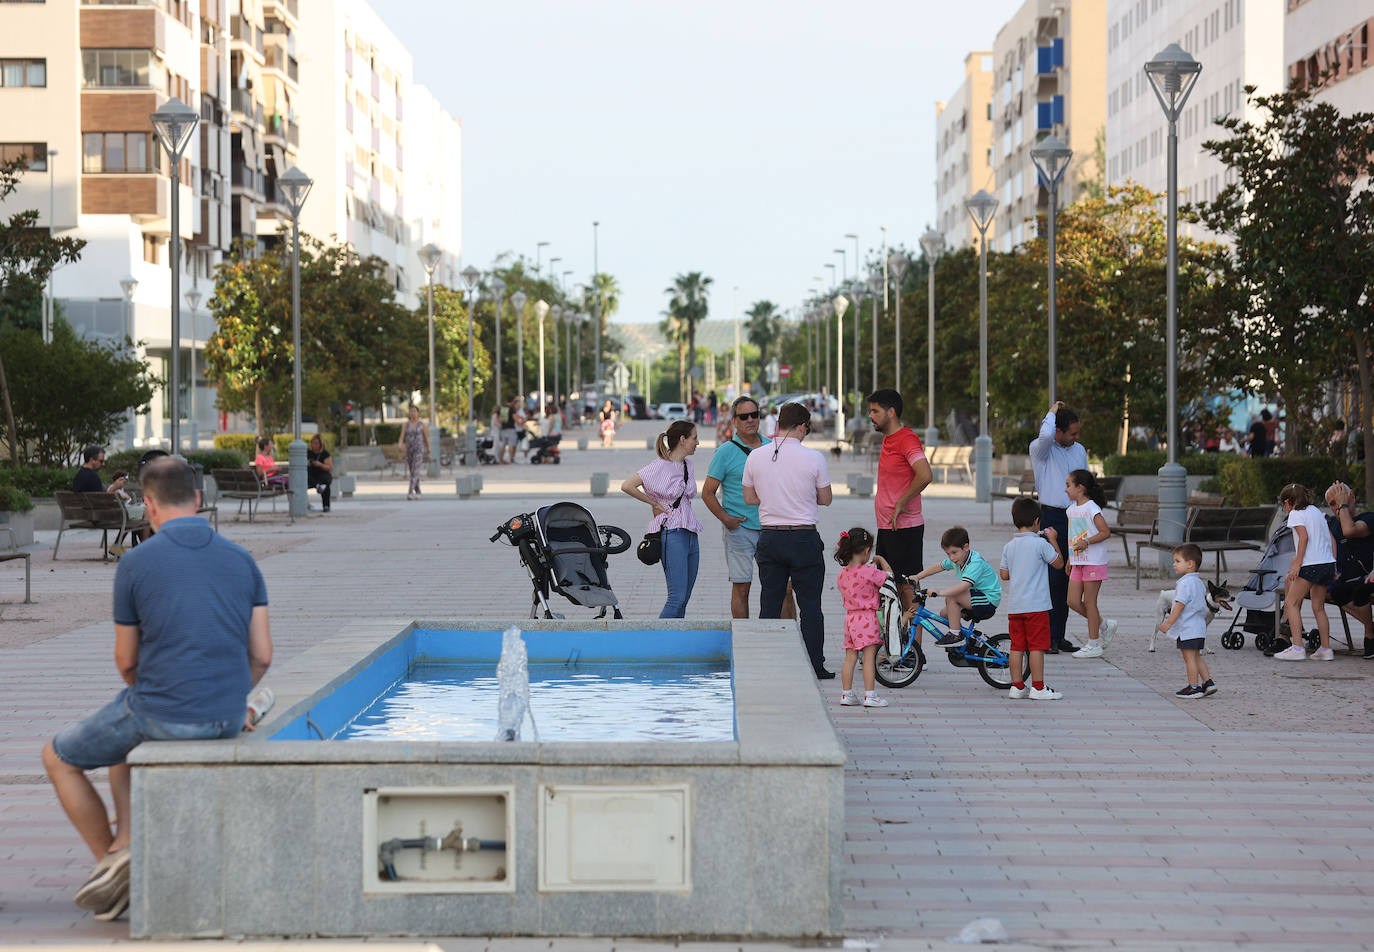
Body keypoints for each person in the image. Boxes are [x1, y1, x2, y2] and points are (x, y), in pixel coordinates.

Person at [40, 457, 272, 922]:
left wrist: (153, 691)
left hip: (158, 709)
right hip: (227, 713)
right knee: (124, 752)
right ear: (199, 499)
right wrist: (224, 696)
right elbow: (262, 654)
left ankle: (112, 861)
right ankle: (124, 849)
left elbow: (126, 660)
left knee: (58, 756)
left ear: (148, 505)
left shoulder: (136, 563)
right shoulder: (243, 560)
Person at [742, 401, 835, 678]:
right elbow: (826, 499)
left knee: (769, 603)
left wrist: (772, 499)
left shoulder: (755, 456)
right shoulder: (814, 458)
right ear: (803, 426)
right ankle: (815, 666)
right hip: (804, 538)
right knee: (810, 606)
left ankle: (766, 664)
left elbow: (748, 498)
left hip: (770, 536)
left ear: (779, 423)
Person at [622, 420, 703, 618]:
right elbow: (627, 485)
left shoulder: (687, 465)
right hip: (672, 533)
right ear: (683, 440)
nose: (698, 442)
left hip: (691, 532)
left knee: (684, 598)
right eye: (695, 438)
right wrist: (654, 503)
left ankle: (675, 643)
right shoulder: (659, 466)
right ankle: (658, 641)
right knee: (676, 598)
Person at [702, 397, 772, 618]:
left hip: (773, 529)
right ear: (734, 421)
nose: (750, 420)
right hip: (740, 529)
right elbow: (707, 492)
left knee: (784, 588)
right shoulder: (725, 452)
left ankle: (787, 637)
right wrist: (726, 518)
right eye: (744, 416)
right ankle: (744, 637)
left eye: (755, 414)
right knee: (742, 586)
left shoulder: (773, 447)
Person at [867, 389, 934, 616]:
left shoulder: (907, 439)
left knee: (907, 588)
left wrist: (901, 502)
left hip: (905, 528)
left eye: (875, 411)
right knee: (890, 588)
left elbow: (924, 474)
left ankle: (914, 646)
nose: (871, 415)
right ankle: (899, 646)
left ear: (891, 412)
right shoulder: (889, 439)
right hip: (887, 527)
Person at [1029, 401, 1087, 653]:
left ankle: (1059, 635)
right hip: (1051, 516)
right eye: (1071, 433)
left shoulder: (1079, 449)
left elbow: (1086, 483)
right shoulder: (1041, 449)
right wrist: (1051, 413)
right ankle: (1047, 637)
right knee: (1052, 578)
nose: (1076, 437)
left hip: (1077, 517)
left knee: (1071, 577)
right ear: (1058, 432)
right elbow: (1044, 435)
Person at [998, 497, 1065, 700]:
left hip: (1015, 606)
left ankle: (1017, 686)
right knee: (1036, 646)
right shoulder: (1040, 544)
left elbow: (1004, 574)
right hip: (1036, 606)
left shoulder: (1009, 546)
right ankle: (1038, 687)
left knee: (1017, 646)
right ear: (1037, 521)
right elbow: (1059, 564)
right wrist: (1053, 539)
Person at [911, 526, 1002, 649]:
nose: (951, 558)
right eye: (948, 554)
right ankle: (970, 639)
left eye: (954, 552)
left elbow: (964, 586)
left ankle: (955, 635)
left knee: (952, 598)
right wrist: (917, 577)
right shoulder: (958, 559)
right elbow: (939, 566)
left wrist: (939, 592)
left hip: (988, 599)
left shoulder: (974, 562)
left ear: (966, 547)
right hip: (975, 597)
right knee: (944, 613)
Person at [1274, 483, 1336, 661]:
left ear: (1288, 502)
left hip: (1311, 565)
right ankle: (1325, 649)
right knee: (1319, 608)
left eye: (1283, 505)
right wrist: (1333, 564)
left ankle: (1297, 647)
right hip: (1326, 563)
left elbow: (1304, 538)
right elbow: (1329, 538)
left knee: (1291, 603)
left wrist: (1296, 565)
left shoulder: (1295, 513)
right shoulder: (1316, 511)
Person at [833, 527, 891, 708]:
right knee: (868, 657)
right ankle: (870, 695)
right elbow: (889, 577)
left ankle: (846, 693)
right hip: (867, 618)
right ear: (867, 551)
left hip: (850, 619)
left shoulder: (842, 573)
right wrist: (881, 560)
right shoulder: (869, 572)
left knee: (850, 657)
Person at [1064, 468, 1118, 659]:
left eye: (1068, 485)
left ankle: (1093, 643)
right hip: (1078, 562)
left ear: (1080, 488)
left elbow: (1105, 532)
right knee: (1072, 600)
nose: (1065, 490)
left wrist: (1086, 542)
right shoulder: (1070, 510)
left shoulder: (1092, 508)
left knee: (1089, 602)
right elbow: (1073, 537)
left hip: (1094, 561)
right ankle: (1104, 625)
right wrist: (1071, 558)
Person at [1157, 543, 1218, 698]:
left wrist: (1169, 622)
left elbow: (1179, 605)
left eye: (1178, 561)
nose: (1174, 564)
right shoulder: (1199, 582)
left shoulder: (1185, 583)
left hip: (1188, 628)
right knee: (1196, 656)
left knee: (1189, 658)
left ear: (1190, 564)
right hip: (1199, 626)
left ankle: (1194, 687)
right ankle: (1208, 682)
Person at [1324, 482, 1374, 658]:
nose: (1337, 506)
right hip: (1348, 580)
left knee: (1361, 591)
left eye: (1340, 500)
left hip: (1370, 576)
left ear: (1351, 496)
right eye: (1332, 503)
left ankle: (1369, 636)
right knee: (1336, 593)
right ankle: (1371, 629)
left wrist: (1343, 505)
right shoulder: (1331, 525)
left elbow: (1350, 530)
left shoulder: (1368, 518)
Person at [399, 404, 429, 500]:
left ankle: (410, 492)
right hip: (409, 450)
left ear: (418, 413)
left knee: (415, 470)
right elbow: (402, 436)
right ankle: (418, 491)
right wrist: (400, 443)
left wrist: (429, 450)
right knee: (413, 472)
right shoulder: (406, 424)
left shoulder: (422, 424)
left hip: (419, 450)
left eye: (414, 411)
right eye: (411, 411)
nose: (412, 413)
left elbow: (426, 439)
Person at [307, 434, 332, 513]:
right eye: (313, 443)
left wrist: (320, 464)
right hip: (310, 475)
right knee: (305, 476)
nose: (314, 445)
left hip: (321, 474)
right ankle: (318, 486)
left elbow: (330, 467)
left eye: (317, 443)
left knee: (325, 483)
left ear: (321, 444)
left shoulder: (325, 453)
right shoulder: (308, 452)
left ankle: (326, 506)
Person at [497, 397, 523, 464]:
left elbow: (499, 418)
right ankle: (511, 459)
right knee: (511, 444)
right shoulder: (511, 408)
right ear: (512, 402)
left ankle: (501, 459)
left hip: (503, 428)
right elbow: (515, 418)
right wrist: (520, 424)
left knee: (503, 444)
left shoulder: (502, 408)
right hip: (511, 428)